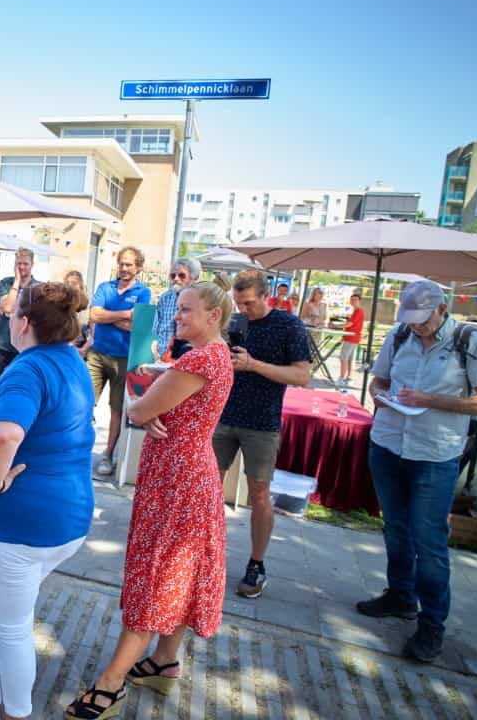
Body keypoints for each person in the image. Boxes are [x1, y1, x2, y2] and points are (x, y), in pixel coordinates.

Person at [65, 283, 234, 720]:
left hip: (179, 481)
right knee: (180, 573)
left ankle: (110, 685)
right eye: (178, 309)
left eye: (186, 309)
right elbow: (150, 408)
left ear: (214, 314)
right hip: (186, 474)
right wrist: (152, 405)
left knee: (157, 577)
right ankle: (164, 661)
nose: (178, 316)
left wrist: (148, 406)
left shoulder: (200, 358)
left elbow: (135, 410)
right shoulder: (214, 355)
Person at [0, 282, 94, 720]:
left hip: (16, 525)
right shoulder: (70, 360)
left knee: (12, 626)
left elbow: (4, 433)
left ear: (23, 322)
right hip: (63, 520)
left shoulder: (28, 369)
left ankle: (14, 713)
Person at [357, 280, 477, 662]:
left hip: (434, 456)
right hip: (387, 445)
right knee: (395, 528)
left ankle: (432, 623)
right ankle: (401, 595)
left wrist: (432, 401)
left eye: (423, 319)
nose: (416, 326)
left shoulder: (470, 342)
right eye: (411, 318)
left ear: (442, 309)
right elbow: (380, 379)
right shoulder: (398, 335)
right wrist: (379, 395)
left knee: (429, 541)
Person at [213, 269, 311, 599]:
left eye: (249, 304)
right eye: (238, 303)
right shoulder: (232, 321)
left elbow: (301, 375)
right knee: (207, 487)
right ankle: (203, 555)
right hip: (224, 416)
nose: (243, 310)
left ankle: (257, 564)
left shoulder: (288, 325)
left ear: (266, 296)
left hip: (263, 423)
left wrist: (254, 365)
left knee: (259, 494)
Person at [87, 246, 151, 477]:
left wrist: (107, 316)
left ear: (138, 268)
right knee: (83, 403)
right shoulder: (106, 287)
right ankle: (78, 449)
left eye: (129, 264)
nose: (124, 268)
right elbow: (94, 315)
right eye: (121, 263)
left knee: (116, 410)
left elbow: (137, 324)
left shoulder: (144, 293)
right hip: (98, 353)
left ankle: (107, 455)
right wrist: (124, 314)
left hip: (125, 358)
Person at [0, 248, 37, 380]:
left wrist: (9, 309)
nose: (22, 267)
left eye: (25, 264)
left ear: (32, 265)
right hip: (3, 344)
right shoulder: (6, 283)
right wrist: (17, 282)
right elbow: (7, 307)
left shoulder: (38, 287)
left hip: (25, 347)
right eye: (19, 263)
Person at [153, 257, 202, 361]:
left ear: (194, 278)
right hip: (162, 357)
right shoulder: (164, 297)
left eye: (181, 275)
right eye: (172, 275)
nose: (176, 279)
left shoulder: (201, 300)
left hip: (186, 357)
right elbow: (156, 329)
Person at [336, 292, 365, 386]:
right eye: (352, 300)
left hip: (351, 338)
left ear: (360, 301)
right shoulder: (355, 311)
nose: (353, 302)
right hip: (351, 337)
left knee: (343, 358)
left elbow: (349, 324)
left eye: (355, 300)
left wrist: (335, 326)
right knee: (349, 359)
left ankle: (341, 378)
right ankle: (349, 378)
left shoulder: (359, 311)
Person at [64, 270, 92, 354]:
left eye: (74, 283)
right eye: (67, 283)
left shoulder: (87, 307)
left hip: (81, 348)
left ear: (80, 286)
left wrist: (83, 349)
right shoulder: (61, 305)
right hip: (64, 348)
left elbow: (94, 333)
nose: (70, 286)